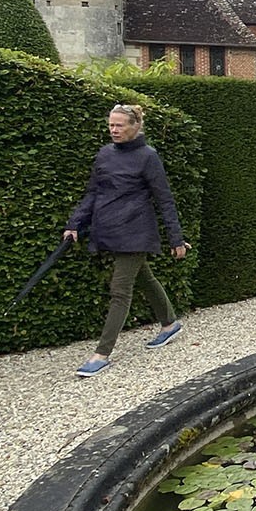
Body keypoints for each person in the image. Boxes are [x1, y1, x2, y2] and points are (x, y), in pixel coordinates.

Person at [64, 104, 189, 377]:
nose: (114, 129)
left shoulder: (148, 157)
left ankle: (101, 354)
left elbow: (164, 200)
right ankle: (169, 324)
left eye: (120, 125)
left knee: (120, 290)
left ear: (135, 127)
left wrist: (176, 239)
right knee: (144, 277)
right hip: (108, 229)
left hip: (136, 232)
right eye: (111, 124)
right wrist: (75, 223)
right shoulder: (105, 154)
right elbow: (93, 192)